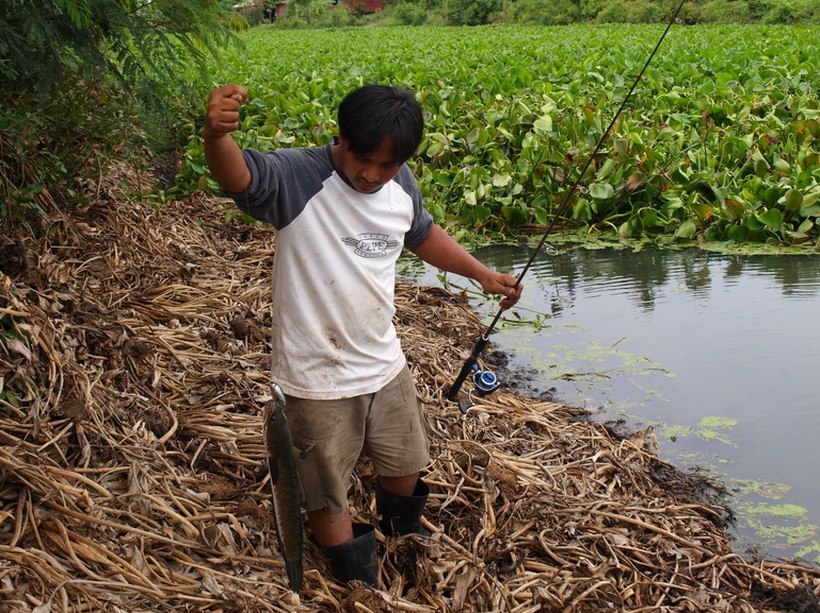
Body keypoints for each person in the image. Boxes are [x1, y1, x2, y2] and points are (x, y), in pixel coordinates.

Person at [204, 83, 522, 587]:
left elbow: (420, 233)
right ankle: (358, 580)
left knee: (405, 462)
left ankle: (401, 538)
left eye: (387, 165)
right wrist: (217, 135)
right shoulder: (297, 176)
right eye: (363, 160)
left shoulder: (400, 181)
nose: (372, 175)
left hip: (384, 363)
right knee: (325, 490)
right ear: (341, 139)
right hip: (315, 375)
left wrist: (481, 274)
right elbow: (239, 176)